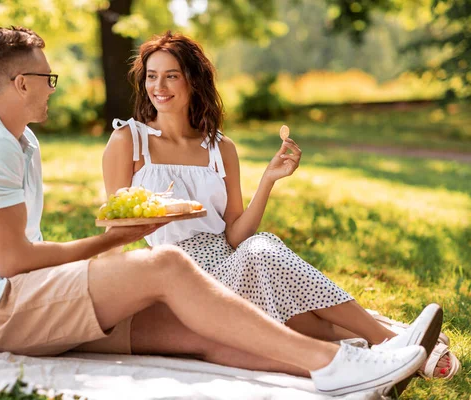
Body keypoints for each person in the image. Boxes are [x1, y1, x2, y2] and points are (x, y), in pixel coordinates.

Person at [0, 26, 438, 398]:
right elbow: (15, 263)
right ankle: (339, 358)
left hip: (16, 298)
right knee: (170, 264)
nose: (51, 86)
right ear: (21, 82)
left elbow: (20, 257)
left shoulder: (18, 142)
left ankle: (354, 373)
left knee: (202, 333)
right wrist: (117, 241)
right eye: (47, 77)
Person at [102, 31, 457, 380]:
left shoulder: (219, 148)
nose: (158, 86)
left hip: (231, 262)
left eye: (171, 76)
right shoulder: (128, 141)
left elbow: (236, 235)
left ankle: (383, 351)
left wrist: (268, 180)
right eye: (151, 76)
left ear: (193, 81)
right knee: (264, 257)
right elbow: (114, 230)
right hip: (181, 280)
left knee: (262, 257)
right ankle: (391, 339)